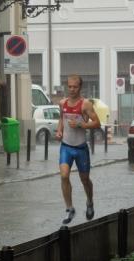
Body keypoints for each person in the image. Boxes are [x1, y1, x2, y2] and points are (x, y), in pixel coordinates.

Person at [55, 74, 101, 224]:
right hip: (66, 146)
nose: (72, 89)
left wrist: (81, 125)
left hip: (81, 148)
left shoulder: (85, 104)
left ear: (80, 87)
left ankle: (90, 202)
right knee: (63, 175)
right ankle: (70, 208)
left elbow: (97, 123)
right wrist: (59, 130)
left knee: (85, 180)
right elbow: (61, 119)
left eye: (75, 87)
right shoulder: (62, 103)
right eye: (69, 86)